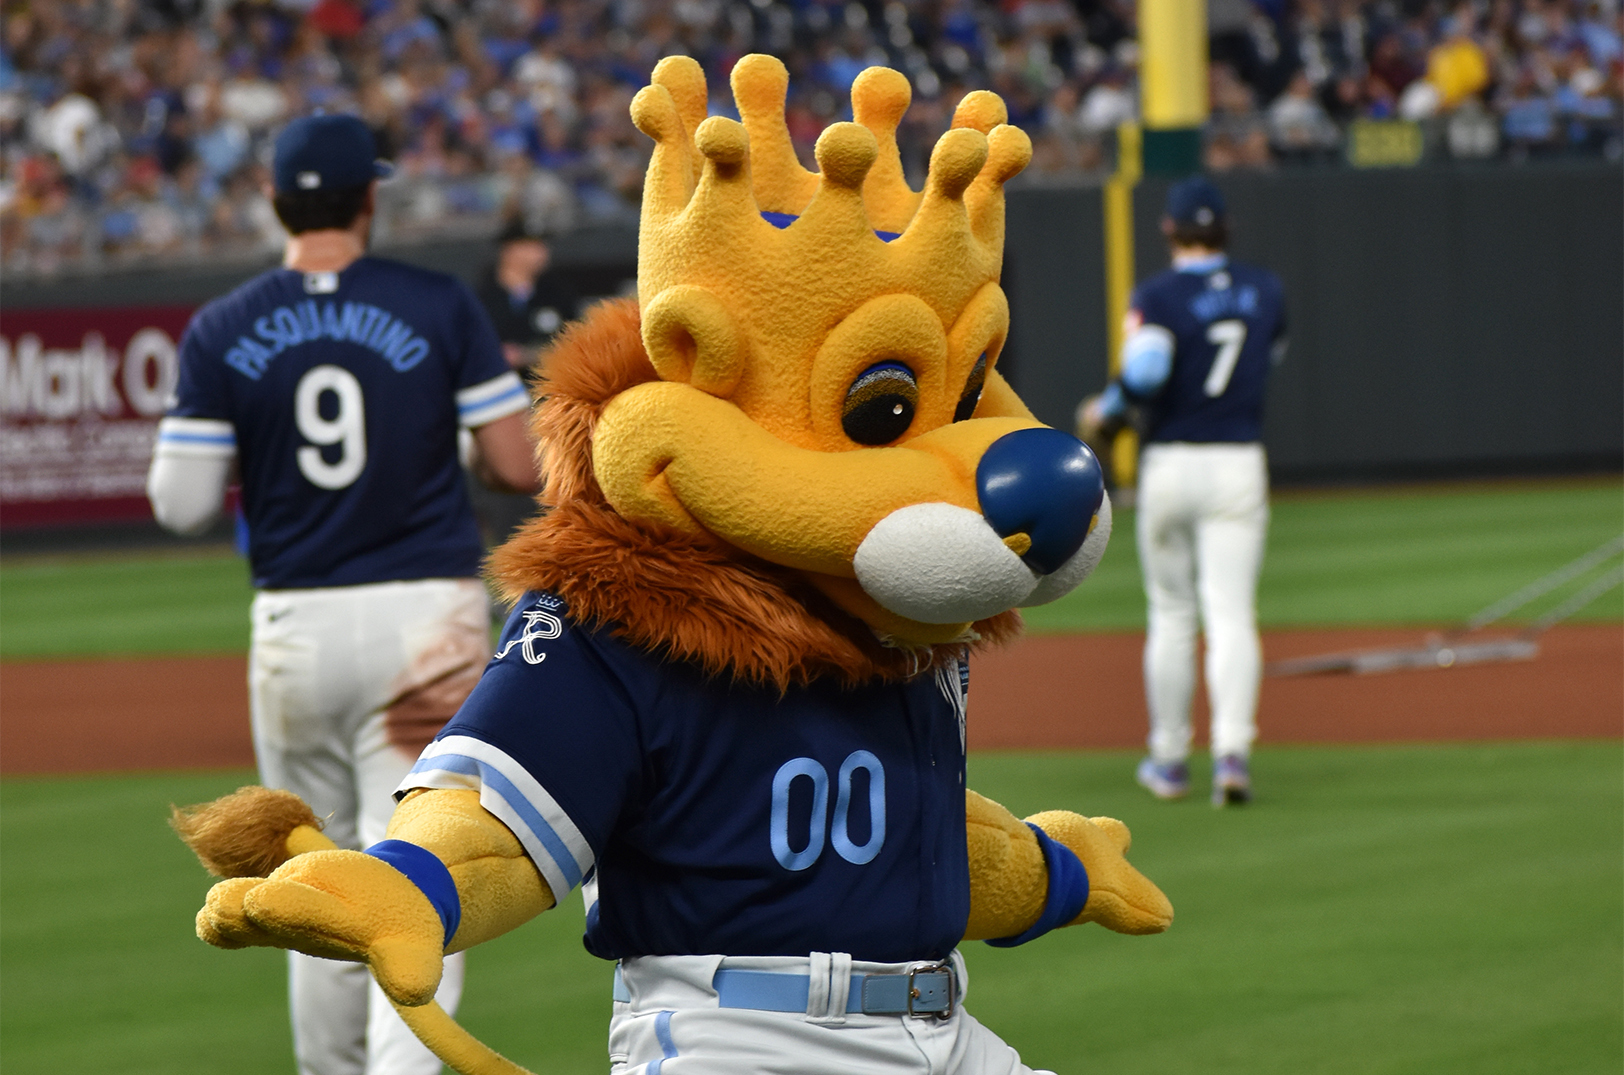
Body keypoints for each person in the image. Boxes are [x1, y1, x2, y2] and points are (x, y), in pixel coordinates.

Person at [146, 113, 540, 1075]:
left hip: (296, 625)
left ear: (277, 200)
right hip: (427, 626)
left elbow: (182, 501)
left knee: (301, 871)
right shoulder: (439, 305)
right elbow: (519, 462)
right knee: (419, 870)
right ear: (370, 198)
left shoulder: (224, 327)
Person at [1079, 176, 1286, 807]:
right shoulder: (1266, 290)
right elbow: (1268, 357)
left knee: (1171, 615)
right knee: (1231, 614)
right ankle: (1233, 755)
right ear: (1225, 228)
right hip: (1237, 460)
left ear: (1169, 229)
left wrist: (1106, 410)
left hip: (1170, 462)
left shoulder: (1159, 296)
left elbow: (1146, 370)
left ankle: (1170, 762)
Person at [468, 217, 580, 547]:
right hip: (498, 406)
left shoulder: (557, 294)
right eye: (530, 244)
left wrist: (528, 355)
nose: (540, 252)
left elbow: (576, 345)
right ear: (510, 250)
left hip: (548, 404)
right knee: (502, 488)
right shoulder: (483, 296)